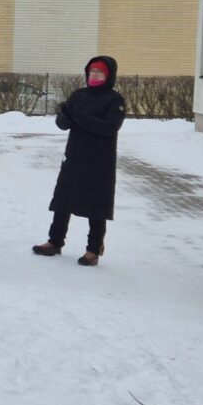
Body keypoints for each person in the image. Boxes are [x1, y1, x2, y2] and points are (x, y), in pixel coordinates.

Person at [32, 56, 125, 266]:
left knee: (96, 205)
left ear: (108, 75)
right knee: (63, 200)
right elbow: (62, 124)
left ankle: (93, 250)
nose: (95, 74)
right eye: (92, 71)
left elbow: (109, 127)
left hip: (99, 160)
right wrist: (65, 115)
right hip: (74, 156)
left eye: (99, 71)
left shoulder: (114, 100)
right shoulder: (79, 95)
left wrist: (77, 115)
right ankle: (55, 241)